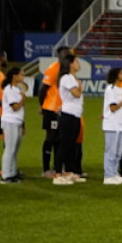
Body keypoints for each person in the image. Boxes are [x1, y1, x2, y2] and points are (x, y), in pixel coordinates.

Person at [53, 57, 86, 184]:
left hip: (75, 114)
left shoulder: (72, 78)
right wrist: (79, 86)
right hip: (68, 114)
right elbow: (76, 94)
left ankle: (68, 171)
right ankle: (57, 174)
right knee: (64, 144)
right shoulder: (67, 78)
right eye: (76, 61)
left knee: (72, 145)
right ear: (70, 64)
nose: (78, 64)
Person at [39, 45, 70, 177]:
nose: (66, 57)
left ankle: (57, 167)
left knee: (59, 139)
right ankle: (46, 169)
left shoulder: (67, 70)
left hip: (63, 110)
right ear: (58, 55)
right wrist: (42, 106)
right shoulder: (53, 69)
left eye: (68, 54)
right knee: (51, 138)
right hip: (51, 109)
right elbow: (43, 89)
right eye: (64, 54)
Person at [101, 67, 122, 184]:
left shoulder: (121, 89)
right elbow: (113, 108)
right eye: (121, 73)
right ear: (116, 76)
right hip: (112, 125)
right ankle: (108, 176)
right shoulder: (111, 89)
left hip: (120, 124)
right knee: (111, 151)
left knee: (118, 152)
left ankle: (114, 173)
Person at [0, 67, 29, 182]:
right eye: (21, 75)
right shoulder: (9, 89)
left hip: (17, 121)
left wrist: (22, 124)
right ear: (14, 76)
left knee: (15, 149)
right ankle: (5, 175)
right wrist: (23, 99)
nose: (23, 77)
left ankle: (12, 172)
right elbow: (15, 107)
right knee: (10, 148)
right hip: (10, 121)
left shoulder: (16, 89)